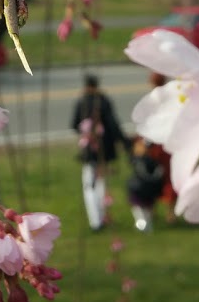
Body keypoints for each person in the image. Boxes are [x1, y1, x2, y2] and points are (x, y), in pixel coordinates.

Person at [71, 73, 127, 231]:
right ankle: (102, 215)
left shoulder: (81, 102)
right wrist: (123, 141)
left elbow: (74, 124)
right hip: (104, 149)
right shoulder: (103, 101)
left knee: (89, 184)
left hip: (89, 150)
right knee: (101, 182)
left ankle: (96, 220)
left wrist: (86, 131)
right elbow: (113, 124)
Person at [126, 137, 170, 232]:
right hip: (145, 189)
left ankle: (143, 226)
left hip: (141, 189)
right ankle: (144, 226)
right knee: (142, 210)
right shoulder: (145, 161)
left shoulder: (144, 160)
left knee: (141, 209)